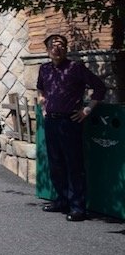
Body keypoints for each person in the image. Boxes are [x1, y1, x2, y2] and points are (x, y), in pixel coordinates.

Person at [37, 34, 106, 222]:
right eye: (53, 45)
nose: (56, 48)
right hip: (51, 121)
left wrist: (86, 110)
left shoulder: (75, 68)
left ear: (66, 48)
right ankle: (62, 201)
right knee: (55, 163)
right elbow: (41, 91)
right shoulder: (44, 69)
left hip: (70, 122)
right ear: (47, 50)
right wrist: (43, 107)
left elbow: (100, 88)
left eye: (61, 45)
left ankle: (77, 207)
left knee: (74, 164)